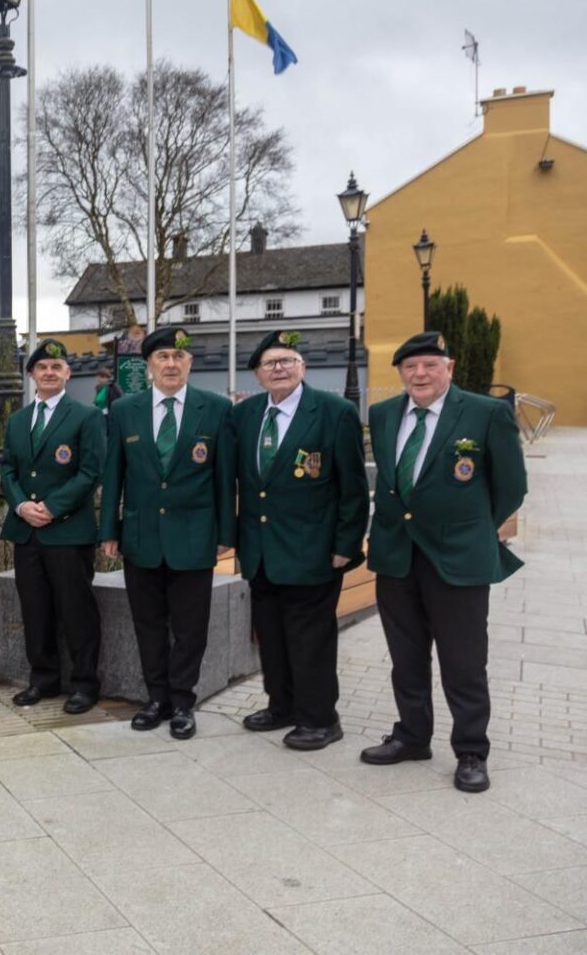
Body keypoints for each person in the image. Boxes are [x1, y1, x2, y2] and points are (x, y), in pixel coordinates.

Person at [361, 331, 527, 793]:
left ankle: (471, 750)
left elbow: (511, 486)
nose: (419, 374)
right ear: (400, 372)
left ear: (449, 368)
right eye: (410, 367)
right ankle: (412, 737)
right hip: (397, 556)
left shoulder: (485, 413)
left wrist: (474, 528)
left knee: (464, 661)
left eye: (430, 365)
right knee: (406, 657)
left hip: (457, 559)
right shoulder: (384, 413)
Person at [224, 329, 368, 750]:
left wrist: (346, 545)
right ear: (257, 374)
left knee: (310, 640)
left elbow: (353, 486)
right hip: (261, 551)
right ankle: (282, 705)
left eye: (287, 360)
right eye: (270, 363)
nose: (279, 368)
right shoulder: (245, 415)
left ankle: (320, 718)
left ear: (302, 367)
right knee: (271, 636)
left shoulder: (334, 412)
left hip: (314, 551)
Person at [100, 327, 233, 739]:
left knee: (191, 629)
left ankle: (182, 703)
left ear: (190, 363)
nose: (171, 364)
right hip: (141, 537)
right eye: (162, 357)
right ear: (149, 365)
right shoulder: (125, 410)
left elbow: (225, 477)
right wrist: (109, 530)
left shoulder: (215, 408)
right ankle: (155, 698)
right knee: (148, 624)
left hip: (194, 537)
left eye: (179, 357)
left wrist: (226, 532)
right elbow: (113, 474)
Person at [0, 339, 107, 714]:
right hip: (27, 530)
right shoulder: (18, 420)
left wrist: (51, 507)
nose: (49, 372)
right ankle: (43, 680)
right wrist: (21, 505)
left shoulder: (86, 416)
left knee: (76, 611)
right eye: (42, 367)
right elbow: (8, 469)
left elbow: (91, 471)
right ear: (32, 374)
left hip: (67, 531)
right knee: (35, 610)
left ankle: (84, 684)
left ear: (68, 373)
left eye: (56, 367)